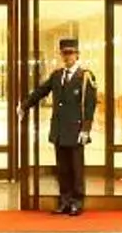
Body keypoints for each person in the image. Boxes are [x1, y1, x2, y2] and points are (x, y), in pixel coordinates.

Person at [23, 35, 99, 215]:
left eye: (71, 53)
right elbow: (41, 91)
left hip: (76, 130)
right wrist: (24, 105)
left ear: (77, 55)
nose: (67, 57)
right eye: (64, 53)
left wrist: (86, 129)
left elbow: (90, 104)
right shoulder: (57, 75)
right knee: (62, 169)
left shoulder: (86, 76)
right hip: (59, 129)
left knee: (76, 168)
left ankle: (77, 202)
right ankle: (64, 201)